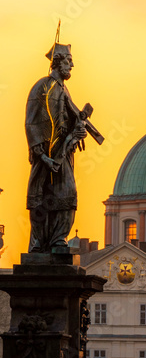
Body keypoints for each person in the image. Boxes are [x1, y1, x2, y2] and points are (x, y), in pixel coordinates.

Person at [25, 43, 89, 253]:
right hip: (46, 155)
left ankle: (58, 239)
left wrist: (78, 131)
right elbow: (32, 123)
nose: (72, 65)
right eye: (68, 61)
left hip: (64, 152)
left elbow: (71, 120)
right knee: (42, 196)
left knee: (67, 194)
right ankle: (40, 241)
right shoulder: (42, 86)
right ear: (58, 61)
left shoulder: (64, 90)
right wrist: (42, 157)